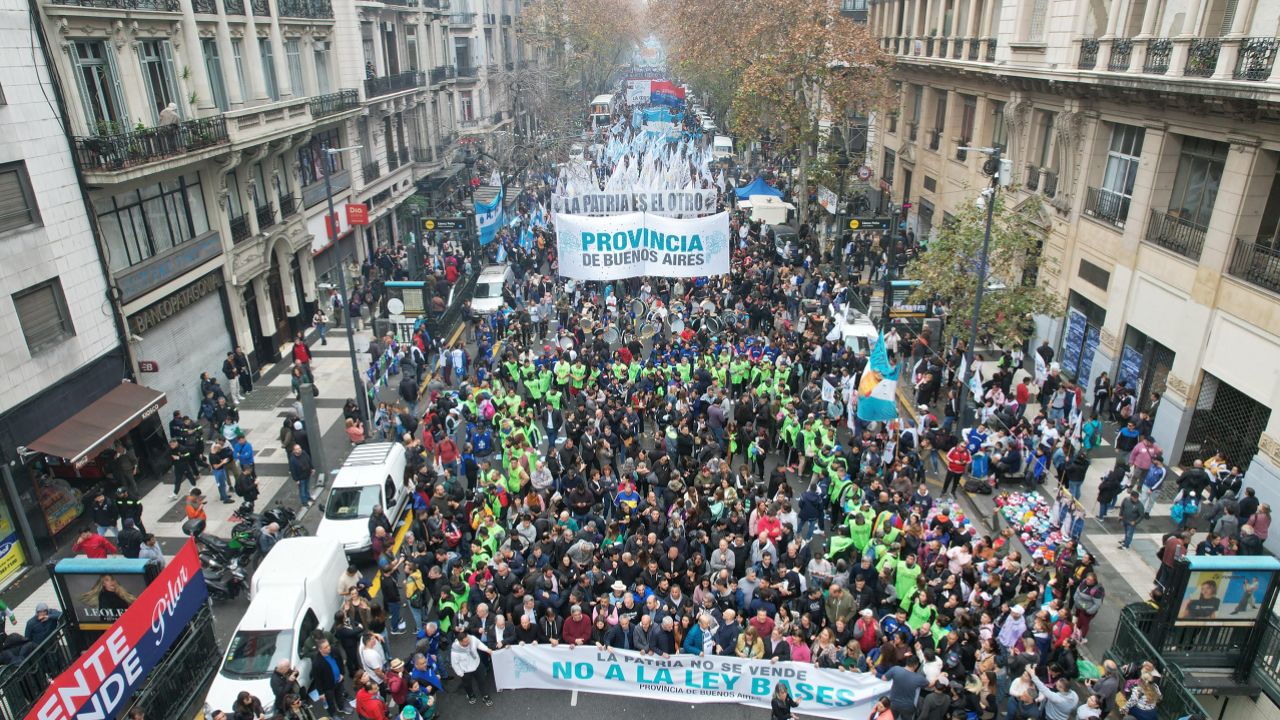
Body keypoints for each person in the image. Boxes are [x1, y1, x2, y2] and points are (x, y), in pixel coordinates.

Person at [450, 631, 494, 706]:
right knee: (467, 684)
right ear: (460, 642)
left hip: (477, 665)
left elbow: (479, 643)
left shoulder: (472, 639)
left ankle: (485, 696)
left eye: (468, 639)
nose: (468, 641)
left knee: (482, 681)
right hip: (465, 670)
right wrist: (460, 673)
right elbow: (455, 664)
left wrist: (487, 649)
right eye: (465, 641)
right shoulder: (455, 651)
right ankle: (471, 695)